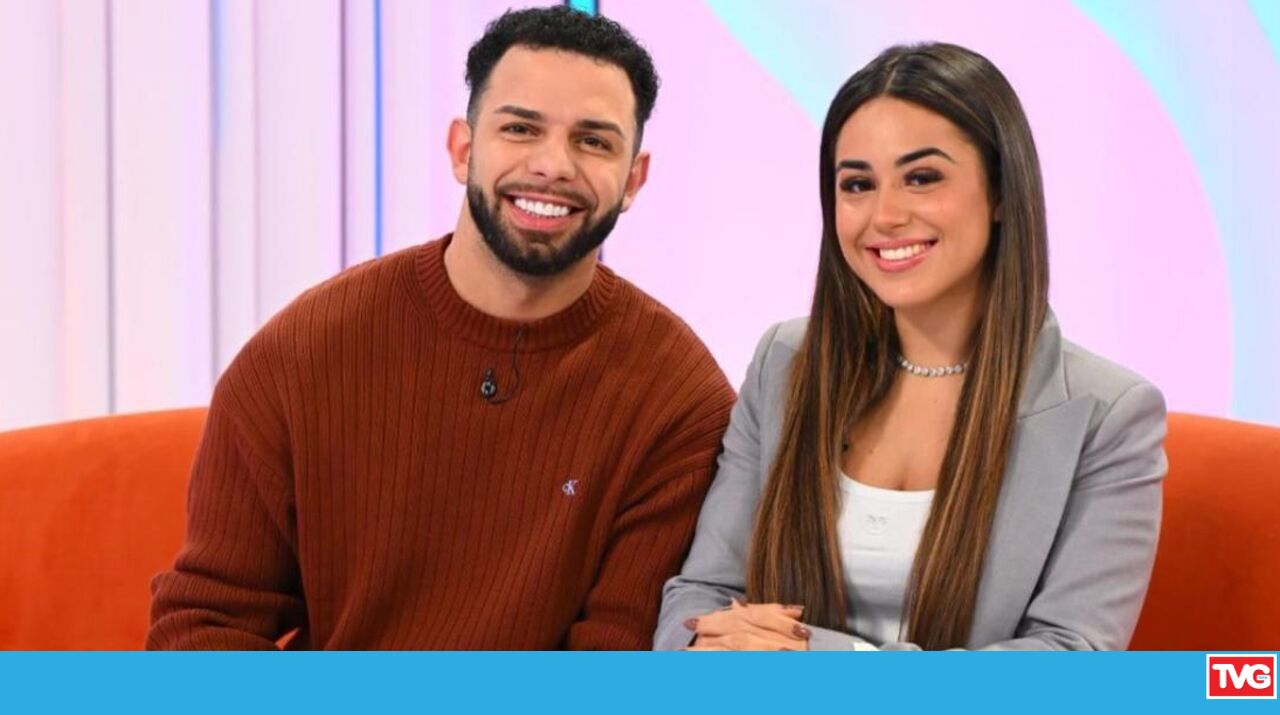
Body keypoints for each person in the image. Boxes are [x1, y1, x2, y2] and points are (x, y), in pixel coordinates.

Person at [148, 6, 735, 650]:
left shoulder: (680, 401)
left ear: (633, 180)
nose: (553, 165)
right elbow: (205, 627)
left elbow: (614, 665)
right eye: (520, 128)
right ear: (463, 149)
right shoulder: (303, 351)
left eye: (593, 141)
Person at [655, 42, 1167, 651]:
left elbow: (1070, 656)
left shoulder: (1109, 414)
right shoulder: (785, 361)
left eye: (922, 178)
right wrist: (701, 646)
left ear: (1002, 193)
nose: (885, 215)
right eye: (857, 185)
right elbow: (701, 594)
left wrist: (828, 657)